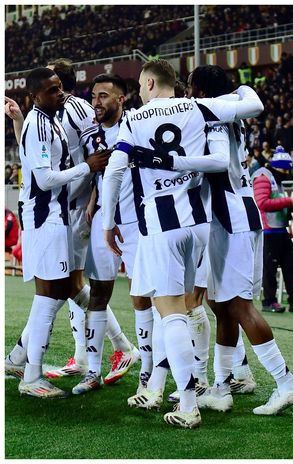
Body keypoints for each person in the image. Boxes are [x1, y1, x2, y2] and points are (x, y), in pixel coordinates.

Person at [101, 58, 263, 428]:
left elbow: (114, 172)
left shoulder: (134, 119)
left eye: (142, 86)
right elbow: (253, 106)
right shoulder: (198, 107)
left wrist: (108, 224)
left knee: (170, 311)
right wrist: (239, 89)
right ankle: (165, 386)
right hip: (199, 223)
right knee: (190, 307)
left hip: (160, 224)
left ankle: (188, 403)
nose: (140, 92)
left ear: (152, 84)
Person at [138, 64, 293, 415]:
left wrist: (172, 161)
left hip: (232, 218)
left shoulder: (210, 118)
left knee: (240, 305)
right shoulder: (226, 115)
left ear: (200, 90)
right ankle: (221, 386)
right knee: (221, 305)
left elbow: (217, 162)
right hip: (228, 218)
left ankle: (285, 381)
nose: (187, 93)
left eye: (192, 88)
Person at [6, 67, 111, 397]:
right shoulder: (39, 125)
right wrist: (87, 168)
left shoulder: (49, 120)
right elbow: (44, 179)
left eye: (60, 87)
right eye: (51, 90)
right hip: (45, 218)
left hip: (58, 217)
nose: (58, 93)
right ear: (36, 96)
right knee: (48, 296)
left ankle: (24, 366)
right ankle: (30, 376)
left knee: (57, 292)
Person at [69, 73, 154, 395]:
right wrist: (93, 204)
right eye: (94, 96)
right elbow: (95, 178)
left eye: (104, 96)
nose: (97, 102)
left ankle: (147, 372)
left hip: (136, 224)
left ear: (121, 99)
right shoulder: (91, 137)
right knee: (98, 294)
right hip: (104, 223)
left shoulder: (138, 127)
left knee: (142, 296)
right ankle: (92, 372)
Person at [251, 145, 293, 312]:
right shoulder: (263, 178)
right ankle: (269, 302)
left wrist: (290, 207)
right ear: (278, 167)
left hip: (280, 230)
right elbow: (262, 203)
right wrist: (289, 202)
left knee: (290, 267)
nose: (287, 173)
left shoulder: (274, 179)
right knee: (270, 269)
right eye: (286, 170)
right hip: (268, 232)